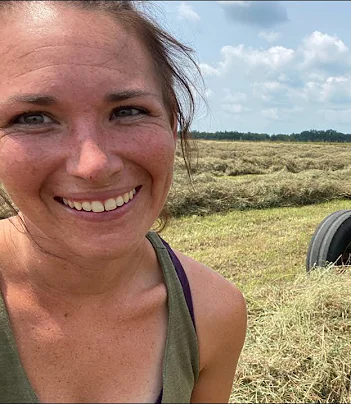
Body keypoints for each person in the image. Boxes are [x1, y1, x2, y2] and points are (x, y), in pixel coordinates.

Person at [0, 1, 247, 402]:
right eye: (33, 118)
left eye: (127, 111)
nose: (93, 164)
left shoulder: (212, 313)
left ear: (171, 124)